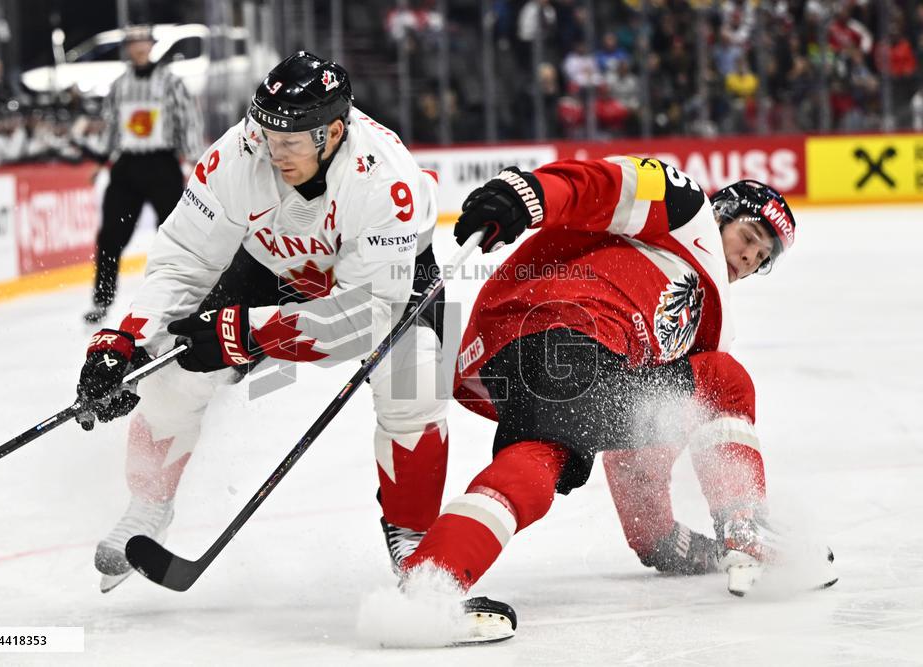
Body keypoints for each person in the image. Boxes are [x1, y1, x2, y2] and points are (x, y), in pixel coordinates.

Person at [74, 52, 451, 596]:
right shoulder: (241, 149)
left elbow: (365, 318)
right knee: (173, 367)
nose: (275, 153)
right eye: (269, 135)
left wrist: (244, 334)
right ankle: (147, 506)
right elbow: (183, 256)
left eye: (293, 141)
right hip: (272, 268)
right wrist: (125, 339)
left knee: (412, 385)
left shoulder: (385, 179)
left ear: (334, 132)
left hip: (385, 287)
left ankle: (413, 533)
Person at [397, 157, 812, 639]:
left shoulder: (712, 323)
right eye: (748, 238)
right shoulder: (687, 210)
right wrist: (529, 194)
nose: (748, 258)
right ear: (723, 212)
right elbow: (606, 184)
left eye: (762, 258)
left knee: (538, 462)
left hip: (530, 366)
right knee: (725, 379)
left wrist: (661, 541)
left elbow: (643, 439)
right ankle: (745, 523)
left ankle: (429, 584)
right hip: (564, 329)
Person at [81, 25, 203, 324]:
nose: (139, 47)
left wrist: (194, 158)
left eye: (143, 41)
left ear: (151, 45)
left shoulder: (171, 82)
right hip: (128, 165)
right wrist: (100, 160)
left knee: (176, 234)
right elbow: (110, 125)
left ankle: (190, 295)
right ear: (127, 47)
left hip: (162, 163)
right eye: (133, 42)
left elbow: (188, 120)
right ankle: (102, 298)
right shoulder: (119, 85)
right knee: (110, 234)